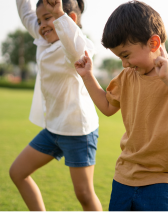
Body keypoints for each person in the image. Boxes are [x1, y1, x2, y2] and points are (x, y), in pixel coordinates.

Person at [74, 0, 168, 211]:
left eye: (126, 55)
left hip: (163, 182)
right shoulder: (128, 76)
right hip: (124, 177)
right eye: (120, 57)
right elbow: (107, 107)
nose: (125, 63)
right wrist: (87, 76)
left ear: (153, 44)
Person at [10, 0, 102, 211]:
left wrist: (58, 12)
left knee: (84, 194)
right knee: (17, 172)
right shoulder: (44, 39)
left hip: (78, 131)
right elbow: (26, 14)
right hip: (53, 129)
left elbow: (77, 50)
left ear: (70, 20)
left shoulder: (76, 44)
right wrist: (47, 17)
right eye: (40, 19)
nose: (41, 25)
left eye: (47, 18)